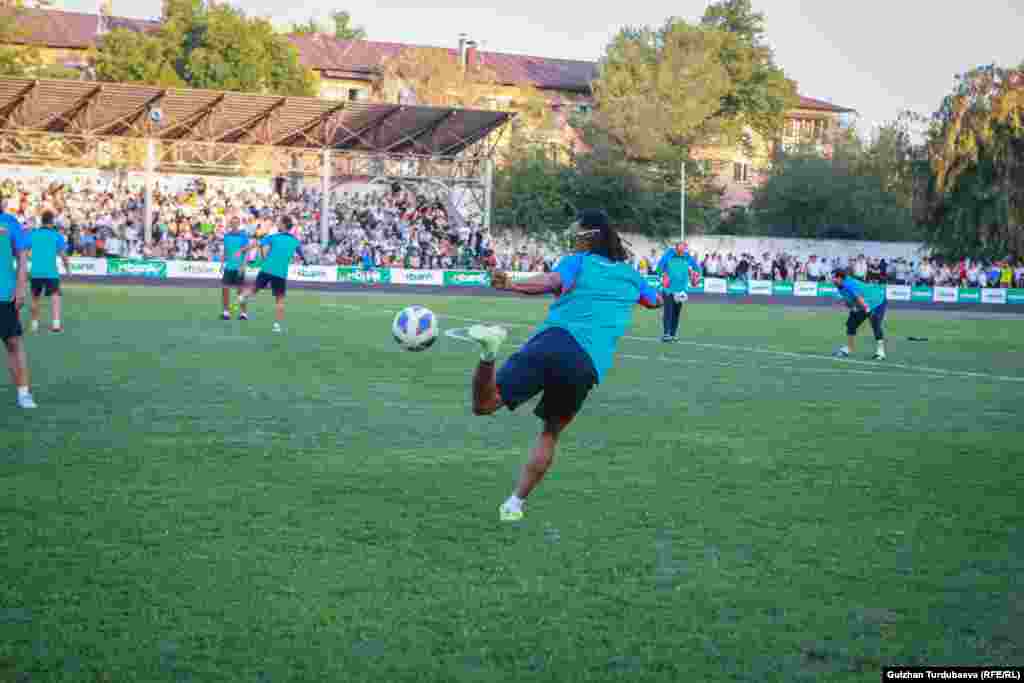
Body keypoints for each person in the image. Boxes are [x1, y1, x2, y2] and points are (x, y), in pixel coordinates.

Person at [466, 209, 663, 521]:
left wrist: (511, 283)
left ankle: (489, 352)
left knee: (485, 405)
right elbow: (655, 301)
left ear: (588, 236)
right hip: (586, 366)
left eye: (578, 231)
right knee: (550, 433)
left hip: (554, 342)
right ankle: (515, 504)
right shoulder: (631, 275)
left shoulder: (578, 262)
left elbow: (551, 281)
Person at [235, 216, 307, 333]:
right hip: (280, 273)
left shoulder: (273, 237)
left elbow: (256, 244)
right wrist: (305, 261)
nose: (277, 225)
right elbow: (300, 252)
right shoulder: (294, 240)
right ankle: (277, 325)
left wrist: (243, 250)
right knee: (279, 300)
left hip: (267, 269)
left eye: (279, 223)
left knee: (254, 289)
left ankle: (243, 296)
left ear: (283, 225)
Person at [1, 199, 36, 408]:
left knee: (14, 344)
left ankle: (23, 394)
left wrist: (21, 286)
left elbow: (22, 255)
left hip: (4, 294)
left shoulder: (9, 222)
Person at [28, 210, 72, 334]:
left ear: (42, 221)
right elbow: (63, 255)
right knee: (56, 297)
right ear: (52, 222)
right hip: (51, 272)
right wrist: (68, 269)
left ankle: (34, 325)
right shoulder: (56, 235)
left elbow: (25, 251)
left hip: (35, 272)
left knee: (35, 298)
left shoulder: (33, 234)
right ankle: (56, 325)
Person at [831, 268, 887, 360]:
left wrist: (868, 310)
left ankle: (880, 352)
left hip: (877, 300)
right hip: (862, 303)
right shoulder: (839, 285)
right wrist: (852, 308)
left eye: (833, 277)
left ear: (840, 278)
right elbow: (850, 301)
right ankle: (849, 348)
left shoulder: (849, 284)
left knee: (875, 324)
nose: (831, 279)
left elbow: (859, 297)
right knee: (851, 324)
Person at [655, 242, 700, 342]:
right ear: (676, 248)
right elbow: (659, 268)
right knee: (668, 312)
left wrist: (694, 275)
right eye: (682, 249)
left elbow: (697, 268)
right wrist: (663, 277)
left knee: (676, 313)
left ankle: (673, 334)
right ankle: (666, 334)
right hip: (668, 289)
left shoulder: (687, 256)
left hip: (681, 290)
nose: (683, 251)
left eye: (685, 249)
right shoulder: (668, 255)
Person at [220, 216, 250, 321]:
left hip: (239, 267)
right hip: (229, 267)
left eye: (236, 223)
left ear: (239, 224)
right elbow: (225, 251)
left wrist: (243, 265)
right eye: (232, 223)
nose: (234, 225)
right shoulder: (226, 236)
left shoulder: (243, 236)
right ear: (230, 224)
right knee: (225, 289)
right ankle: (226, 312)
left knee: (240, 291)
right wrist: (222, 264)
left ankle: (243, 313)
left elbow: (247, 252)